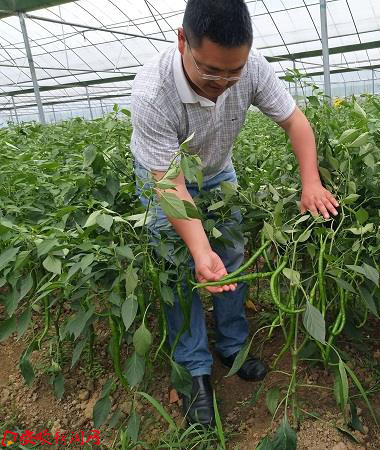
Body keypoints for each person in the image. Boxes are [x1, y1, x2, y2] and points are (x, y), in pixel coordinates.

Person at [130, 0, 339, 428]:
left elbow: (296, 122)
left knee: (231, 254)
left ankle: (233, 346)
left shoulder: (253, 68)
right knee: (180, 268)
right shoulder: (152, 92)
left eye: (233, 72)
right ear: (182, 41)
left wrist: (311, 181)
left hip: (217, 171)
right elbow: (170, 184)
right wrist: (198, 248)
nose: (223, 83)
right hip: (165, 176)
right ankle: (194, 368)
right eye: (211, 71)